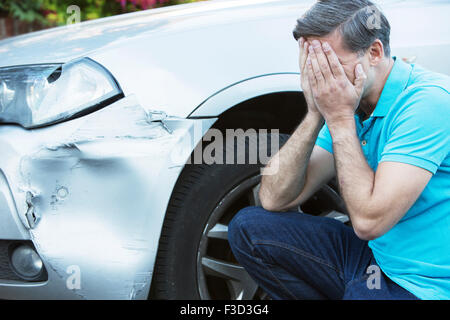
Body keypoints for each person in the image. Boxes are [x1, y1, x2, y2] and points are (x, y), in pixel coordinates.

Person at [228, 0, 450, 300]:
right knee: (249, 227)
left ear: (374, 52)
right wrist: (314, 114)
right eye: (313, 64)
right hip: (376, 260)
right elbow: (274, 198)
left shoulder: (428, 104)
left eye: (330, 63)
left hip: (426, 282)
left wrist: (340, 118)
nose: (322, 78)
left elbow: (369, 223)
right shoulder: (354, 99)